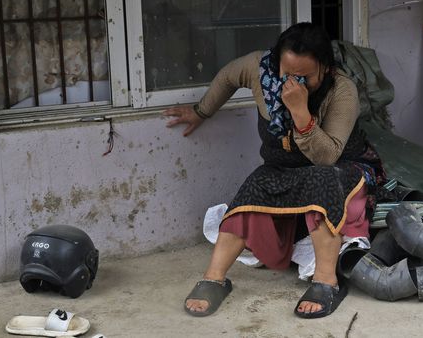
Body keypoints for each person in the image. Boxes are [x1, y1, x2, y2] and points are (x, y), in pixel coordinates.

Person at [163, 23, 381, 319]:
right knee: (253, 186)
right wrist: (201, 112)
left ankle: (327, 281)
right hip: (283, 167)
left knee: (321, 179)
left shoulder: (342, 90)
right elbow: (227, 77)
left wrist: (300, 112)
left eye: (305, 77)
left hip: (340, 168)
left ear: (326, 69)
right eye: (287, 73)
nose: (294, 82)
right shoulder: (258, 68)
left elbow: (327, 157)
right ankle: (214, 278)